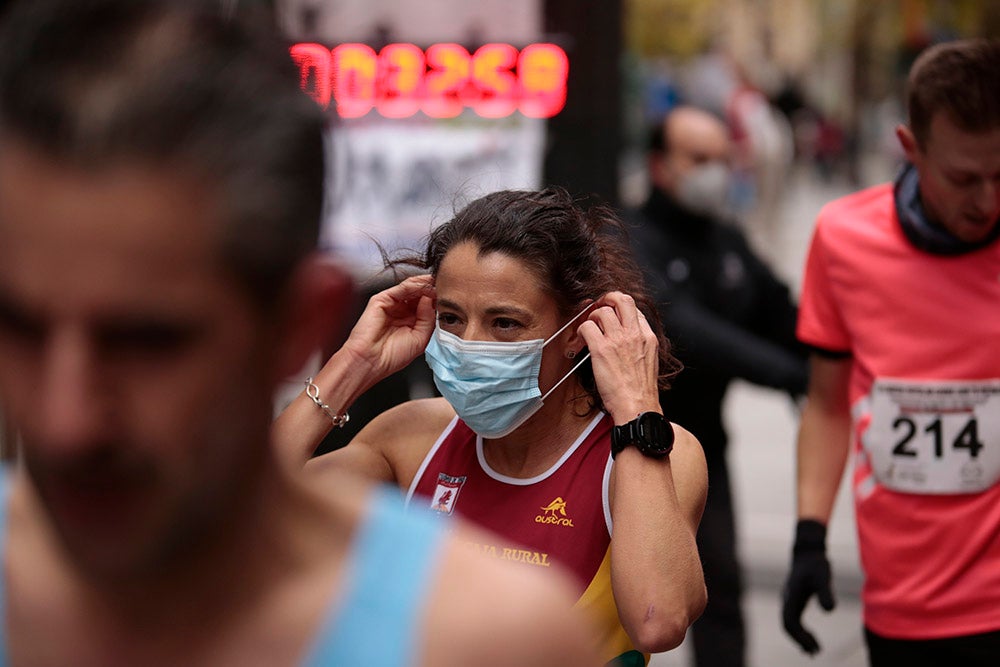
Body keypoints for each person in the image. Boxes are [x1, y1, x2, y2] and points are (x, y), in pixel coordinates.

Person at [0, 1, 603, 665]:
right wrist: (349, 367)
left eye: (147, 342)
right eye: (20, 328)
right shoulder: (409, 443)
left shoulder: (482, 634)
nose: (64, 421)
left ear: (298, 323)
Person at [274, 187, 710, 665]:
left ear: (575, 330)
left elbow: (657, 620)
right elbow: (233, 519)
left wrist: (636, 405)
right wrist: (350, 367)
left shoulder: (648, 454)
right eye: (451, 318)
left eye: (504, 323)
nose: (469, 345)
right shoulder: (411, 437)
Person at [781, 38, 1000, 665]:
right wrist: (809, 537)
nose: (987, 201)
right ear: (911, 147)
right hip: (904, 603)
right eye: (964, 179)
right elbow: (828, 405)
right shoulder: (843, 238)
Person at [626, 105, 808, 667]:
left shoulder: (727, 240)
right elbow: (684, 329)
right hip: (624, 444)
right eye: (700, 159)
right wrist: (788, 374)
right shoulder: (626, 238)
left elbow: (781, 313)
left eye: (724, 160)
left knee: (719, 586)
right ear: (660, 165)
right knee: (619, 598)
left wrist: (830, 359)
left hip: (704, 445)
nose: (716, 173)